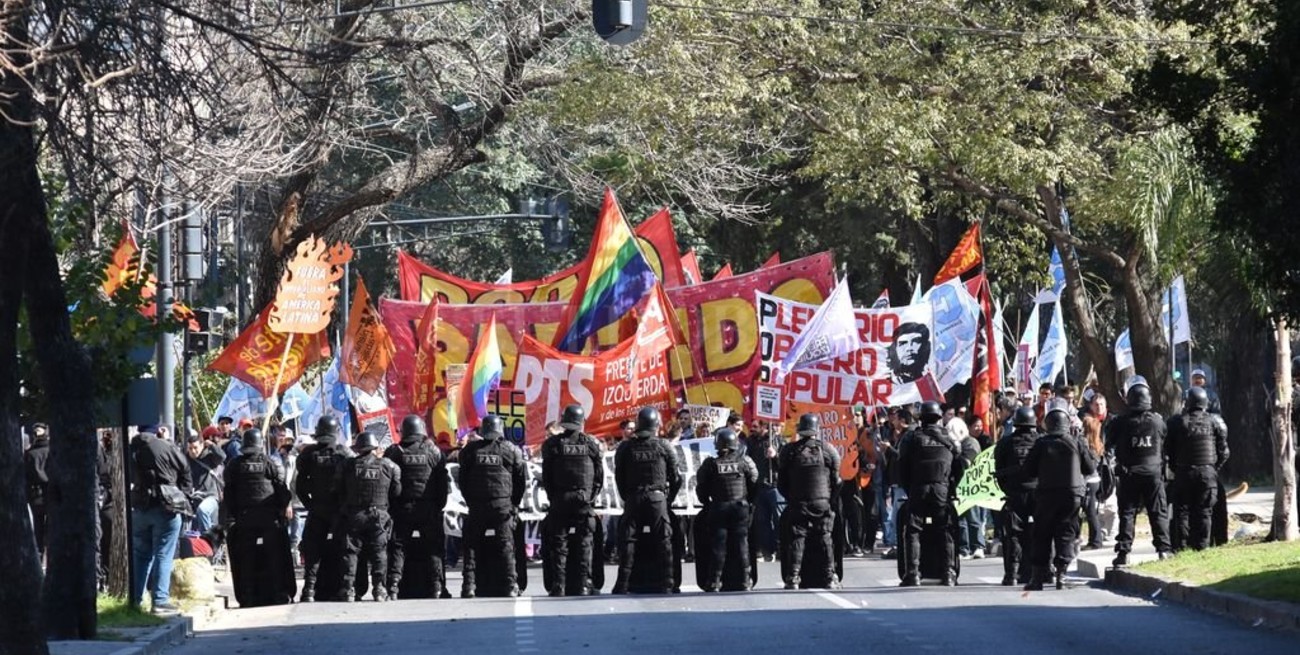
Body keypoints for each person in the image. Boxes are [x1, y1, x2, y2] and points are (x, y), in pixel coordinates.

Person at [1021, 402, 1096, 590]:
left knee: (1042, 535)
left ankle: (1038, 578)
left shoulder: (1040, 443)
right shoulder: (1076, 441)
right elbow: (1090, 468)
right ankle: (1061, 575)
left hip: (1046, 495)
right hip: (1071, 496)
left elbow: (1028, 470)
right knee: (1066, 534)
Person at [222, 428, 296, 607]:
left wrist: (234, 517)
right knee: (276, 556)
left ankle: (248, 596)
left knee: (246, 559)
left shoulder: (234, 465)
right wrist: (281, 511)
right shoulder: (269, 463)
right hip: (269, 519)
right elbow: (282, 491)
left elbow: (228, 494)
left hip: (245, 519)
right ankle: (279, 593)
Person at [612, 407, 681, 594]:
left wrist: (627, 497)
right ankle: (668, 583)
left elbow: (619, 476)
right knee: (664, 540)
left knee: (628, 540)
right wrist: (667, 500)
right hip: (657, 499)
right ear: (656, 425)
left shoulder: (626, 447)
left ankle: (622, 584)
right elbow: (676, 477)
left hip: (634, 498)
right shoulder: (664, 446)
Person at [458, 415, 526, 598]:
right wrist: (514, 504)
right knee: (506, 546)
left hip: (478, 505)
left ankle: (469, 586)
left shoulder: (470, 451)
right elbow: (520, 480)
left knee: (472, 546)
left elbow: (462, 480)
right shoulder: (511, 450)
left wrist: (470, 500)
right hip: (502, 506)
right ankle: (510, 585)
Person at [386, 414, 452, 599]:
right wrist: (438, 506)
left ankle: (393, 587)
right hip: (428, 508)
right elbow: (442, 484)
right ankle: (438, 587)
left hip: (402, 509)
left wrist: (392, 508)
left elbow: (387, 483)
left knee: (398, 548)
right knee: (434, 548)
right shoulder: (433, 452)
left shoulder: (394, 452)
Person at [897, 401, 963, 587]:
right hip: (942, 490)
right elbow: (959, 468)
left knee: (913, 530)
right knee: (946, 531)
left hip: (919, 489)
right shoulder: (950, 439)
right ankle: (949, 573)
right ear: (939, 418)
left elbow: (902, 467)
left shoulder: (911, 438)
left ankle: (913, 574)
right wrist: (951, 489)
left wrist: (909, 489)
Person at [1106, 380, 1172, 566]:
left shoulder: (1120, 422)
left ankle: (1123, 553)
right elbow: (1164, 443)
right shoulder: (1158, 421)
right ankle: (1164, 550)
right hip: (1153, 473)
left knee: (1127, 513)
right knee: (1158, 512)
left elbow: (1109, 443)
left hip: (1129, 474)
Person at [541, 405, 604, 596]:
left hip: (560, 498)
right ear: (581, 421)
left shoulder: (551, 444)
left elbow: (547, 476)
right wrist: (590, 498)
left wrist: (554, 498)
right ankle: (584, 584)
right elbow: (599, 477)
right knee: (585, 542)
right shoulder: (592, 444)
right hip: (583, 500)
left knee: (559, 543)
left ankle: (558, 585)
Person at [129, 426, 192, 614]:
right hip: (166, 505)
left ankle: (135, 600)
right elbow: (185, 469)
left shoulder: (131, 449)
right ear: (157, 430)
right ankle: (160, 600)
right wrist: (184, 494)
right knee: (163, 554)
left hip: (140, 505)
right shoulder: (165, 446)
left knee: (141, 555)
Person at [777, 413, 841, 589]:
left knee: (798, 537)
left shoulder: (788, 451)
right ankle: (830, 577)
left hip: (799, 502)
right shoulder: (828, 449)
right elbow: (837, 480)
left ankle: (793, 577)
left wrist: (792, 499)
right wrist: (829, 500)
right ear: (816, 430)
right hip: (822, 502)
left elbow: (781, 482)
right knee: (825, 537)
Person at [337, 431, 402, 602]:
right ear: (375, 447)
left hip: (355, 514)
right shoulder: (389, 466)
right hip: (379, 515)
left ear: (357, 448)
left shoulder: (348, 465)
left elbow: (338, 489)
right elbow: (396, 491)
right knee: (379, 553)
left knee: (351, 553)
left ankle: (349, 589)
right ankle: (379, 589)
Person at [295, 415, 351, 602]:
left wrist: (310, 506)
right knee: (342, 550)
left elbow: (300, 487)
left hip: (319, 508)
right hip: (337, 510)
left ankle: (309, 590)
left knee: (313, 551)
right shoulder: (344, 454)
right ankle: (344, 589)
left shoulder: (308, 454)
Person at [695, 427, 758, 591]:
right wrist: (748, 503)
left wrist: (707, 504)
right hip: (740, 507)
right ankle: (745, 581)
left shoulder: (710, 464)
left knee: (718, 545)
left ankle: (715, 581)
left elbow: (701, 487)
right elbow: (754, 483)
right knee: (741, 544)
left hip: (719, 507)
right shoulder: (745, 462)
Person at [1167, 387, 1230, 551]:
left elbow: (1169, 450)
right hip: (1207, 473)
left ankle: (1181, 548)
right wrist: (1213, 469)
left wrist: (1176, 468)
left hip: (1183, 472)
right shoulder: (1215, 421)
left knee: (1182, 512)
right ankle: (1202, 547)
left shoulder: (1176, 422)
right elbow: (1224, 452)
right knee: (1205, 512)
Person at [994, 407, 1039, 586]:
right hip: (1037, 494)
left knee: (1013, 534)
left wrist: (1008, 491)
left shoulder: (1005, 443)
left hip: (1014, 493)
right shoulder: (1040, 441)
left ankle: (1011, 574)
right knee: (1040, 531)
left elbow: (999, 472)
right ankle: (1043, 571)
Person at [742, 419, 782, 562]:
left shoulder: (776, 440)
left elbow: (785, 463)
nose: (751, 429)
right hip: (758, 486)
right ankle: (766, 550)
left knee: (779, 519)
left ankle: (780, 549)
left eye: (755, 426)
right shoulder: (750, 442)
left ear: (764, 426)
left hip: (774, 485)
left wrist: (775, 455)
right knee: (761, 521)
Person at [1080, 395, 1109, 550]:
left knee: (1091, 511)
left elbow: (1088, 466)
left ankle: (1095, 540)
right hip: (1095, 480)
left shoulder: (1088, 446)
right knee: (1090, 511)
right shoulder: (1098, 445)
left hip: (1089, 481)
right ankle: (1093, 539)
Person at [185, 432, 226, 535]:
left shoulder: (209, 456)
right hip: (194, 497)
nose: (193, 451)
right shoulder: (186, 459)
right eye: (190, 448)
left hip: (211, 496)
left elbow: (222, 456)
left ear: (202, 445)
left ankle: (208, 541)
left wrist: (212, 445)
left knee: (203, 510)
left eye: (195, 447)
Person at [24, 422, 51, 557]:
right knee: (52, 528)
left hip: (36, 495)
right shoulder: (53, 451)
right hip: (51, 494)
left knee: (38, 529)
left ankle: (39, 556)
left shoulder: (29, 454)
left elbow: (26, 476)